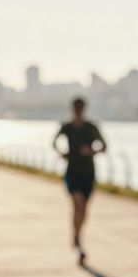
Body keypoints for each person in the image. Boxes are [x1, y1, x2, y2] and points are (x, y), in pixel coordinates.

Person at [52, 97, 107, 267]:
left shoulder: (92, 127)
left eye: (80, 107)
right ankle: (78, 240)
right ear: (73, 109)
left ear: (84, 109)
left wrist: (91, 151)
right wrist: (62, 152)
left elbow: (104, 146)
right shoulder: (66, 127)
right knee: (78, 203)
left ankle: (76, 234)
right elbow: (54, 142)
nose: (78, 110)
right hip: (72, 173)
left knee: (83, 209)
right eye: (76, 108)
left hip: (88, 174)